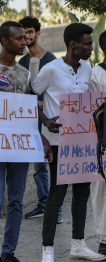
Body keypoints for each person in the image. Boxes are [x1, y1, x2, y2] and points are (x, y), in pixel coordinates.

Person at [33, 23, 106, 262]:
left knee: (82, 193)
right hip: (58, 140)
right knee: (57, 193)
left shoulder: (88, 71)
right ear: (73, 44)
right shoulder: (50, 69)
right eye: (87, 44)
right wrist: (44, 121)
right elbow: (31, 96)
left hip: (85, 140)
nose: (91, 48)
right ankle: (48, 250)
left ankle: (78, 244)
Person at [0, 21, 53, 262]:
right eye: (19, 38)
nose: (24, 42)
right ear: (5, 41)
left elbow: (31, 107)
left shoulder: (24, 73)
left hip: (19, 147)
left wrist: (42, 134)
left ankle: (8, 253)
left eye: (25, 38)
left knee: (16, 200)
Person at [17, 16, 62, 223]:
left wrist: (38, 105)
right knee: (37, 165)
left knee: (49, 163)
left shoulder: (50, 60)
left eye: (30, 31)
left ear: (37, 33)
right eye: (23, 32)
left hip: (47, 120)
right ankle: (44, 203)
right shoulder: (23, 62)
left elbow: (56, 93)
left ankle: (55, 208)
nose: (26, 36)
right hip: (28, 120)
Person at [89, 30, 106, 256]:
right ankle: (104, 238)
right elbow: (91, 108)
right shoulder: (97, 74)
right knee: (101, 188)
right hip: (102, 140)